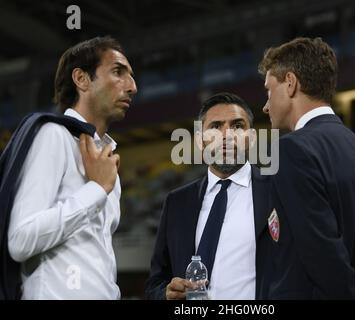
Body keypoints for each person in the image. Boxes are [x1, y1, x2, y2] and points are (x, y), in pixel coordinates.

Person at [258, 37, 355, 299]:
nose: (265, 105)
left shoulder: (289, 151)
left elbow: (322, 255)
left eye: (268, 91)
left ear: (290, 83)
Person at [3, 36, 137, 299]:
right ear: (82, 79)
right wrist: (96, 190)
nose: (132, 86)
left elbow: (98, 257)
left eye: (131, 76)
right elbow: (20, 240)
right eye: (118, 72)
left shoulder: (107, 162)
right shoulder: (53, 136)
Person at [145, 92, 272, 300]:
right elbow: (155, 283)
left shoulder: (277, 191)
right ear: (199, 141)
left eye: (238, 126)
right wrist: (165, 294)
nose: (227, 135)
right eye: (215, 127)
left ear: (252, 138)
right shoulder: (177, 202)